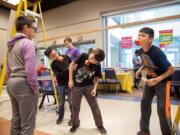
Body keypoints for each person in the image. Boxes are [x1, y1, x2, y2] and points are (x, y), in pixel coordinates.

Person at [135, 27, 175, 135]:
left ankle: (168, 133)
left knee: (162, 109)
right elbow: (146, 61)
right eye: (139, 35)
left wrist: (157, 79)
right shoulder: (140, 51)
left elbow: (172, 69)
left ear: (150, 39)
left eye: (143, 35)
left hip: (162, 81)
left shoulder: (158, 53)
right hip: (150, 80)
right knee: (144, 103)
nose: (139, 37)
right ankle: (144, 131)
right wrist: (140, 68)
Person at [6, 16, 38, 135]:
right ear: (25, 28)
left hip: (11, 83)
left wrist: (13, 79)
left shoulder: (11, 45)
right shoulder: (27, 43)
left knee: (16, 119)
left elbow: (8, 69)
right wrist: (34, 88)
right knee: (28, 124)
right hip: (24, 84)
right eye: (32, 28)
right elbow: (30, 70)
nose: (33, 32)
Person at [68, 48, 107, 134]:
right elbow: (71, 65)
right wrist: (70, 80)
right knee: (75, 106)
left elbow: (97, 78)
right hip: (77, 85)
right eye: (92, 58)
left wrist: (95, 89)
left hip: (89, 86)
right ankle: (75, 123)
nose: (92, 61)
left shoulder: (97, 65)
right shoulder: (83, 56)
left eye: (95, 61)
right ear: (92, 52)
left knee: (94, 106)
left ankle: (100, 125)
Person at [44, 47, 73, 125]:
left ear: (57, 51)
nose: (55, 56)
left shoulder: (67, 58)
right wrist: (67, 70)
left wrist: (69, 71)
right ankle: (60, 117)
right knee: (61, 102)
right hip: (61, 85)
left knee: (71, 101)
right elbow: (58, 76)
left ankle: (73, 117)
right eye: (52, 56)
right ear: (50, 58)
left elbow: (72, 68)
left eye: (55, 54)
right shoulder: (53, 65)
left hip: (70, 83)